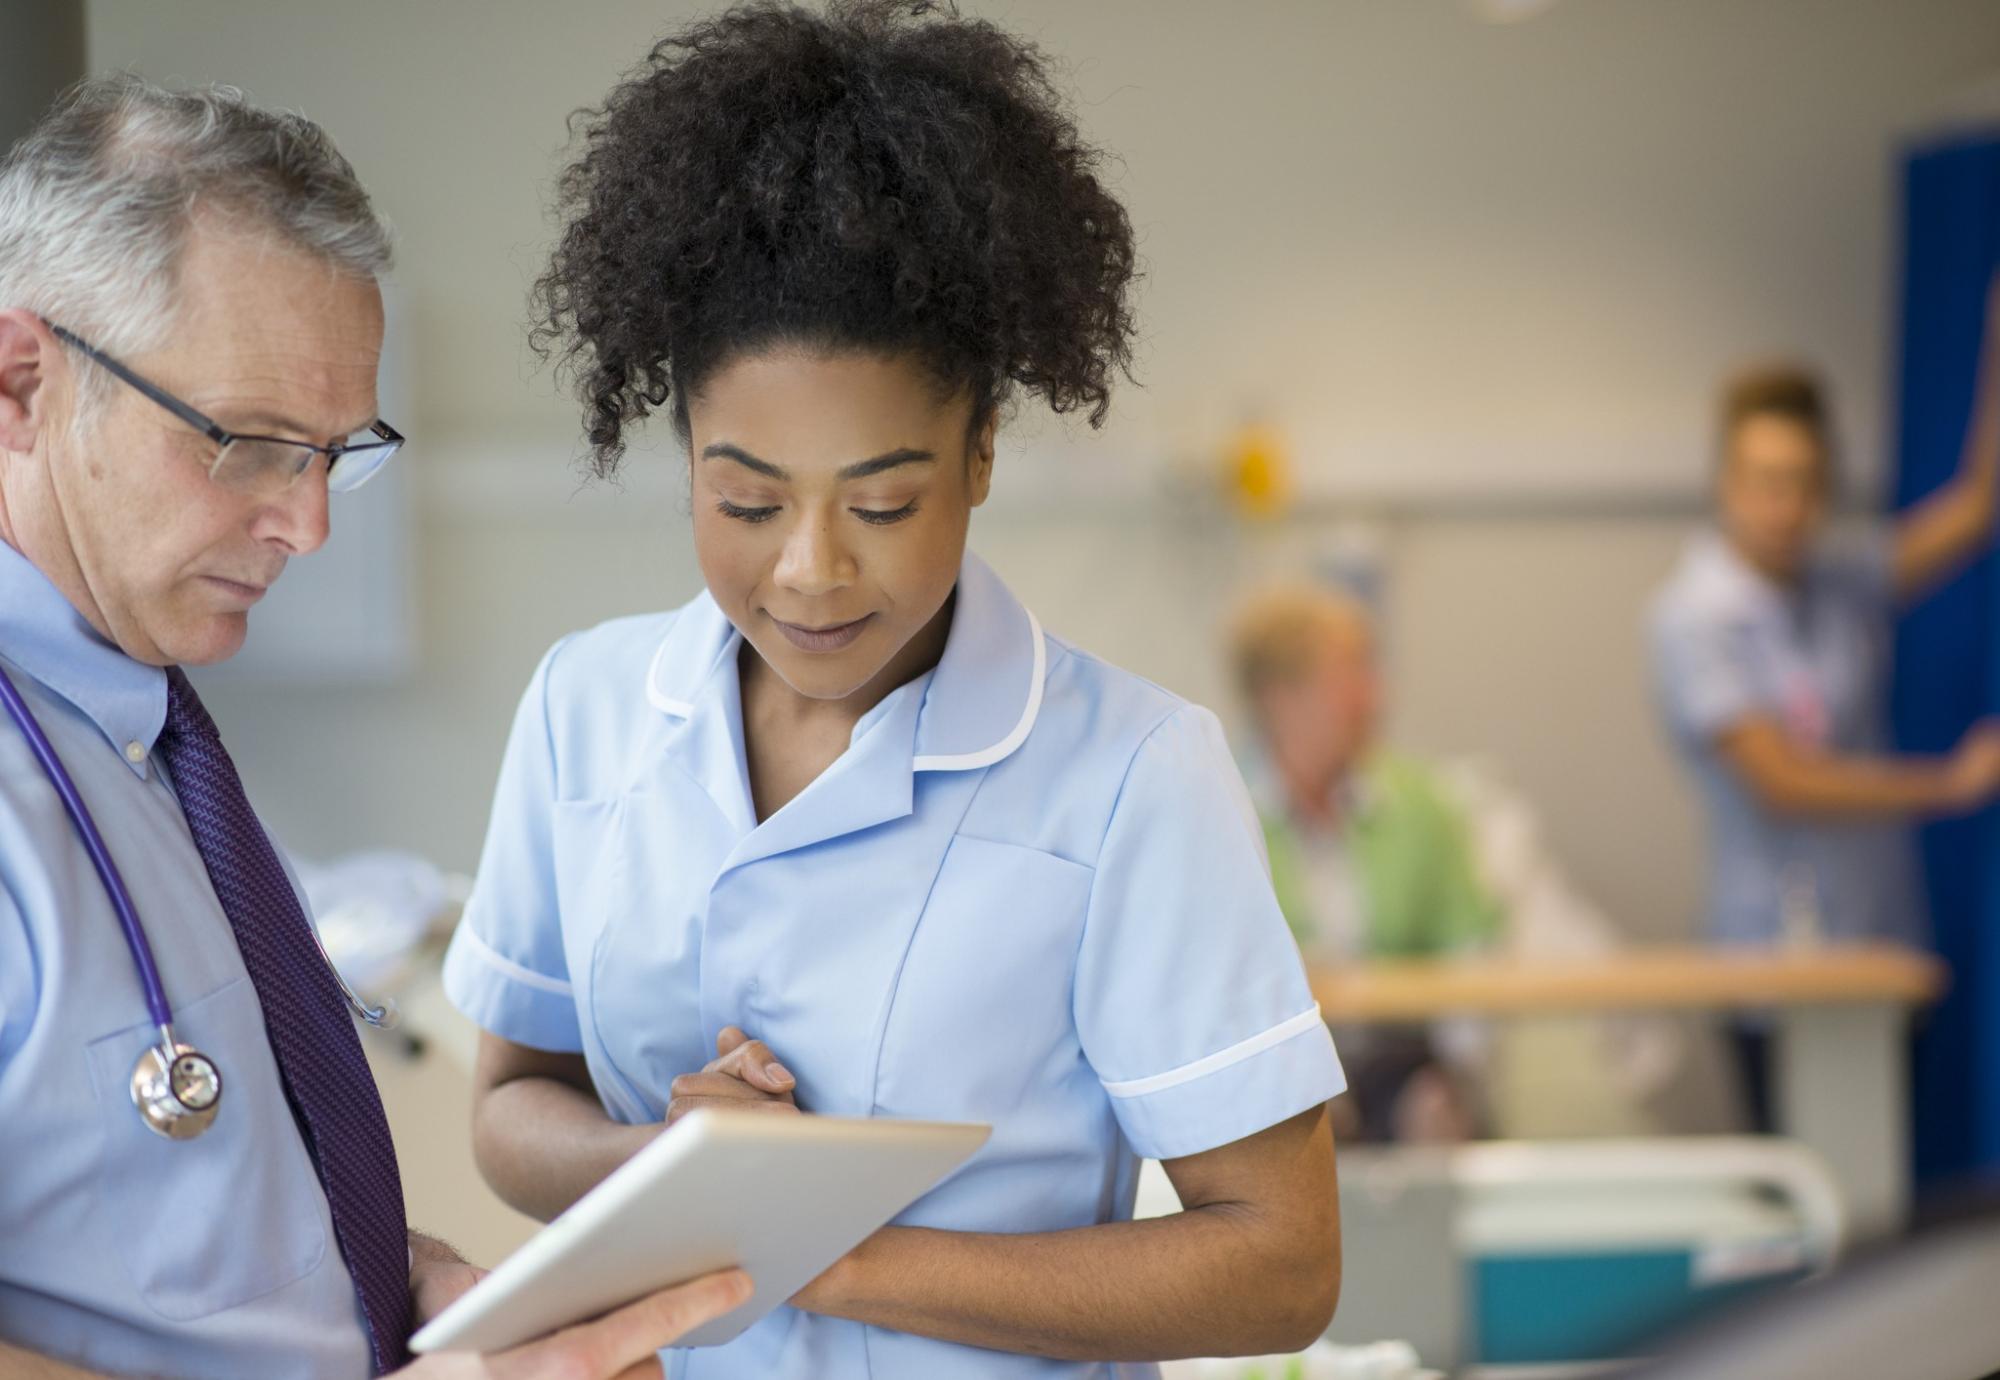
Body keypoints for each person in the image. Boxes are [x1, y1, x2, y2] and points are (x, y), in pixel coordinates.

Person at [441, 4, 1346, 1377]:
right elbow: (514, 1101)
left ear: (981, 451)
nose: (809, 573)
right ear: (685, 449)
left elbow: (1279, 1263)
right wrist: (667, 1168)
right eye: (745, 501)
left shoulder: (1129, 773)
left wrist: (824, 1242)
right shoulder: (590, 707)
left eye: (884, 501)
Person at [0, 75, 748, 1378]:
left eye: (339, 452)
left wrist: (404, 1290)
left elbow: (173, 1225)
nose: (310, 524)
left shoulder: (150, 743)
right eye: (249, 443)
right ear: (19, 384)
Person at [1649, 277, 2000, 1130]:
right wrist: (1947, 785)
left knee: (1883, 1206)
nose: (1786, 506)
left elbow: (1978, 506)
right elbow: (1784, 781)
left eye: (1805, 481)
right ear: (1726, 482)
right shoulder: (1695, 613)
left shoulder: (1836, 580)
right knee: (1811, 1208)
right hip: (1774, 967)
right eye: (1766, 480)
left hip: (1880, 948)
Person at [1227, 581, 1498, 1143]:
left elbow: (1472, 947)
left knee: (1433, 1113)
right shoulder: (1219, 808)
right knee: (1308, 1121)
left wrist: (1464, 1075)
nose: (1374, 697)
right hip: (1275, 1065)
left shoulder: (1421, 804)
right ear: (1282, 695)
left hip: (1401, 1061)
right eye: (1351, 674)